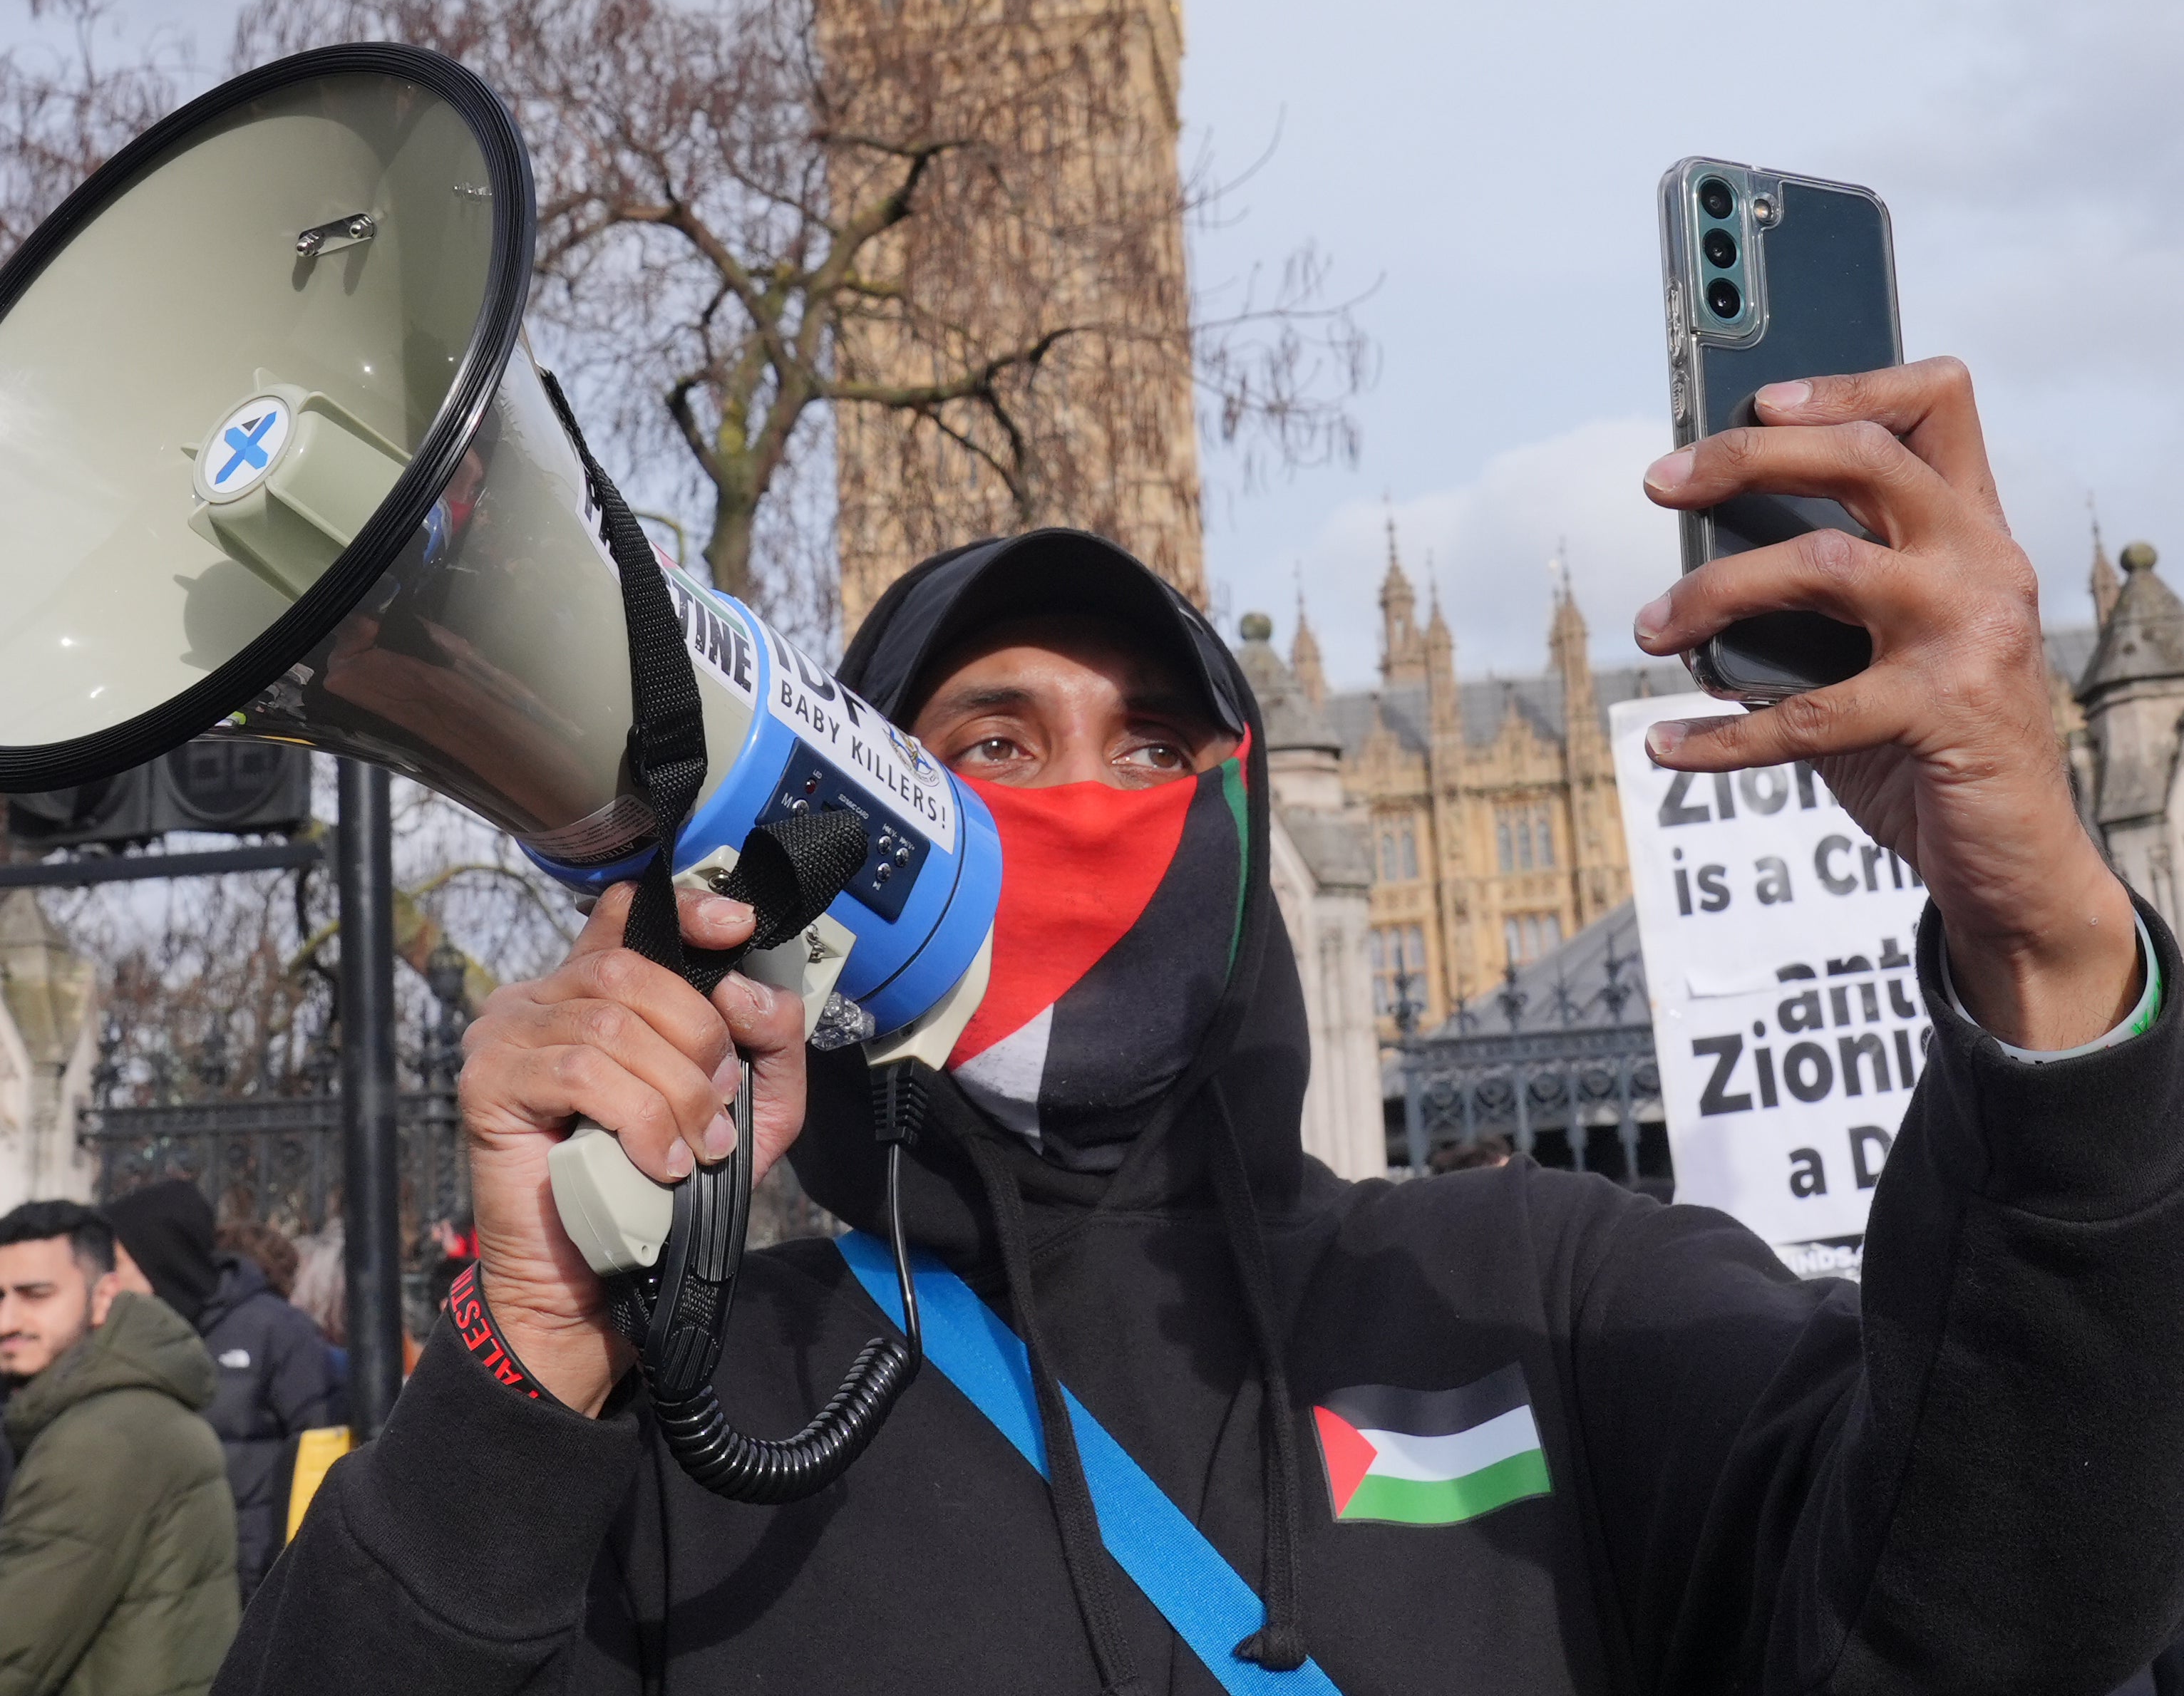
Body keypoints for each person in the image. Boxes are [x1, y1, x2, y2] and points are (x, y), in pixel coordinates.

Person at [221, 364, 2184, 1691]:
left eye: (1160, 746)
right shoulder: (698, 1406)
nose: (1089, 799)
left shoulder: (1536, 1287)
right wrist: (522, 1370)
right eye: (991, 742)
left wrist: (2054, 978)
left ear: (1247, 820)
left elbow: (1984, 1612)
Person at [0, 1197, 237, 1692]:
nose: (8, 1321)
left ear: (105, 1295)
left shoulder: (100, 1438)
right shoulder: (124, 1408)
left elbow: (15, 1648)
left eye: (35, 1294)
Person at [108, 1179, 339, 1604]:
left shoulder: (276, 1331)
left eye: (117, 1261)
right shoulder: (120, 1338)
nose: (107, 1279)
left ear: (157, 1258)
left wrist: (295, 1576)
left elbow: (323, 1451)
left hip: (254, 1583)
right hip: (161, 1580)